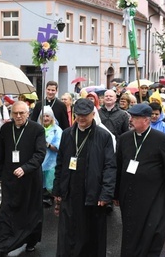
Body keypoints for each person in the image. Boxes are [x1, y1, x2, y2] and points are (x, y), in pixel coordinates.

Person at [114, 103, 165, 256]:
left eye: (135, 117)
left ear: (146, 120)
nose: (130, 120)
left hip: (153, 196)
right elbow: (118, 166)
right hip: (130, 195)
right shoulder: (125, 138)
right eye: (131, 117)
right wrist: (116, 194)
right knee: (130, 231)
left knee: (152, 232)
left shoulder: (161, 140)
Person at [52, 98, 117, 257]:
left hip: (92, 192)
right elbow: (60, 162)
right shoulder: (68, 134)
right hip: (70, 188)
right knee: (68, 231)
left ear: (93, 114)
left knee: (90, 232)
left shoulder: (103, 136)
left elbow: (110, 166)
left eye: (85, 115)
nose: (81, 118)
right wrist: (57, 189)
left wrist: (106, 193)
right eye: (78, 115)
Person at [0, 101, 47, 256]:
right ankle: (1, 246)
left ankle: (31, 240)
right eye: (15, 113)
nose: (18, 116)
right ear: (11, 114)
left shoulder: (37, 129)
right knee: (6, 211)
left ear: (28, 113)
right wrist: (0, 173)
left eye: (22, 113)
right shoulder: (5, 129)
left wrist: (26, 168)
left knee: (31, 212)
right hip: (10, 177)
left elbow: (40, 154)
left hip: (30, 178)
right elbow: (1, 153)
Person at [39, 106, 62, 207]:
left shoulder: (57, 130)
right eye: (43, 116)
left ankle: (56, 202)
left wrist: (48, 144)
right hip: (39, 161)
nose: (45, 118)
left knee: (50, 184)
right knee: (41, 184)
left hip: (52, 162)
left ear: (52, 117)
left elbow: (59, 147)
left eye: (47, 116)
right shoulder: (38, 129)